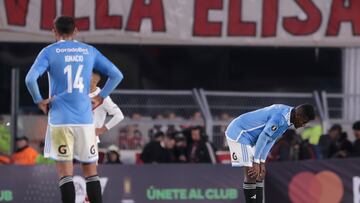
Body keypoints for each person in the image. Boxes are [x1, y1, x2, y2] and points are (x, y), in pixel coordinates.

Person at [25, 16, 123, 203]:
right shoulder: (89, 51)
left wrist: (39, 100)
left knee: (65, 174)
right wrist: (101, 96)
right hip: (85, 121)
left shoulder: (49, 52)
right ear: (76, 31)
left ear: (54, 30)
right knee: (91, 173)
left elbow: (30, 79)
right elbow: (117, 75)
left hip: (60, 121)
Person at [225, 104, 315, 203]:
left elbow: (271, 139)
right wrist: (256, 162)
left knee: (259, 174)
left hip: (252, 137)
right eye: (304, 122)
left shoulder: (289, 117)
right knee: (251, 174)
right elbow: (264, 137)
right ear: (298, 115)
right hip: (240, 132)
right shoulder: (280, 118)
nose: (303, 125)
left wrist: (262, 162)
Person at [89, 71, 124, 139]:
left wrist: (101, 130)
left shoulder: (102, 97)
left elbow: (119, 115)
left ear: (95, 81)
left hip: (91, 138)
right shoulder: (80, 93)